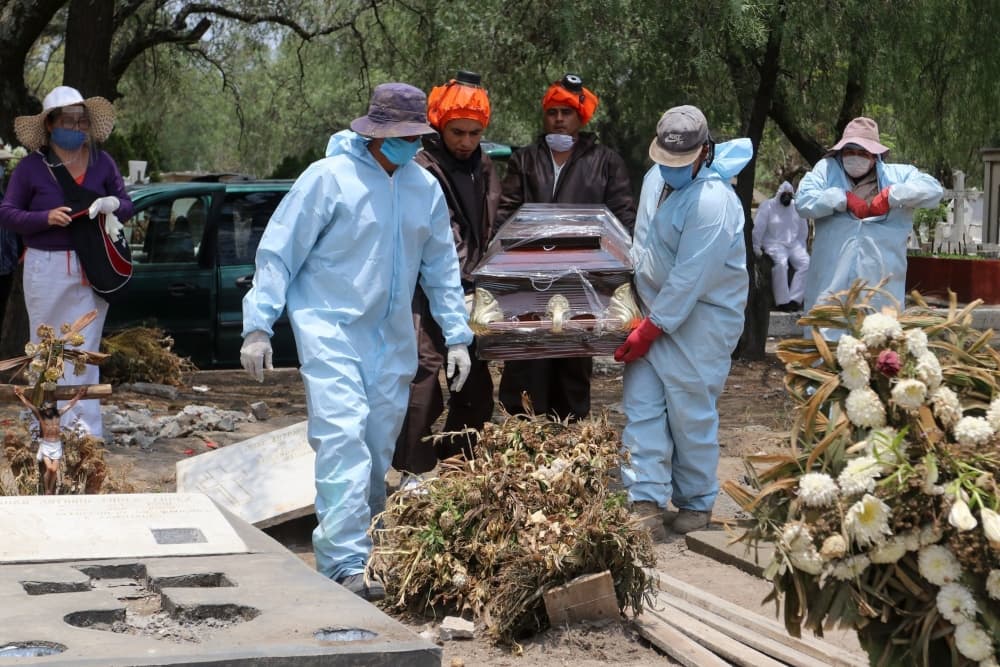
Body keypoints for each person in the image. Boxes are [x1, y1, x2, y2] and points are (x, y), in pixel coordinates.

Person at [239, 83, 473, 601]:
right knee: (342, 438)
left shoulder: (423, 188)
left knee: (374, 447)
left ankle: (363, 547)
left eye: (416, 135)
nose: (409, 145)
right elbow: (279, 252)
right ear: (374, 133)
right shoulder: (327, 180)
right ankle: (343, 563)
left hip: (392, 340)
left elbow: (440, 268)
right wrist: (259, 323)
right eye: (401, 135)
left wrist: (457, 335)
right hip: (329, 329)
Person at [615, 105, 753, 537]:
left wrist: (653, 326)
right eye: (664, 160)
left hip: (701, 323)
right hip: (649, 315)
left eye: (680, 163)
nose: (669, 169)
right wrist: (631, 306)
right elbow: (641, 243)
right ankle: (645, 500)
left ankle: (695, 502)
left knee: (690, 414)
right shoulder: (655, 178)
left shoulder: (715, 202)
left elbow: (692, 276)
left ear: (703, 153)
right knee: (641, 410)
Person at [496, 73, 636, 422]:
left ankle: (568, 441)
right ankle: (521, 439)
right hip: (529, 281)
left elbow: (622, 220)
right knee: (525, 359)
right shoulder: (524, 160)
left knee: (573, 359)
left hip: (582, 283)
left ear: (581, 117)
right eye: (552, 112)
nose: (559, 118)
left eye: (567, 112)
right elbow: (505, 214)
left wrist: (612, 272)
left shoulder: (605, 162)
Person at [0, 86, 133, 439]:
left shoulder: (102, 162)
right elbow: (8, 213)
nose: (76, 127)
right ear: (50, 124)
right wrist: (44, 218)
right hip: (45, 266)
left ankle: (83, 432)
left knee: (84, 351)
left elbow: (127, 204)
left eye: (81, 121)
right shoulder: (31, 168)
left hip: (92, 266)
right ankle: (43, 427)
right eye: (68, 120)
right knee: (46, 351)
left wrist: (111, 205)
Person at [392, 71, 499, 486]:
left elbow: (489, 226)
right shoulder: (422, 168)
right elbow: (443, 241)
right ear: (439, 125)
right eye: (458, 132)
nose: (466, 141)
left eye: (475, 133)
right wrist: (462, 288)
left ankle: (460, 464)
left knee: (474, 382)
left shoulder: (483, 167)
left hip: (472, 289)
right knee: (424, 375)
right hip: (425, 290)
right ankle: (412, 468)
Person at [796, 117, 942, 330]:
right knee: (825, 352)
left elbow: (934, 191)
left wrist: (892, 195)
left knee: (879, 352)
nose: (855, 157)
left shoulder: (898, 175)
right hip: (831, 290)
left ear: (875, 156)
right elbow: (803, 202)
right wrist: (842, 198)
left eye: (863, 152)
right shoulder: (826, 171)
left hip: (882, 293)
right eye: (849, 151)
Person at [13, 386, 86, 494]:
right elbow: (30, 406)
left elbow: (69, 405)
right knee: (50, 469)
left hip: (56, 445)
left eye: (49, 408)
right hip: (46, 445)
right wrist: (20, 395)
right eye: (46, 409)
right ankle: (47, 488)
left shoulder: (58, 415)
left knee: (54, 469)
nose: (48, 410)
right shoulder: (41, 417)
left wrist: (79, 395)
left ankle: (50, 490)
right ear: (44, 409)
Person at [752, 181, 809, 312]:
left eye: (790, 194)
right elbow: (759, 227)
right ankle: (782, 301)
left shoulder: (796, 208)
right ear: (779, 194)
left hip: (793, 244)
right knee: (782, 264)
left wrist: (802, 247)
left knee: (806, 263)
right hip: (773, 242)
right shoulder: (768, 206)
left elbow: (802, 231)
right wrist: (756, 245)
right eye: (785, 194)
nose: (787, 197)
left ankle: (795, 299)